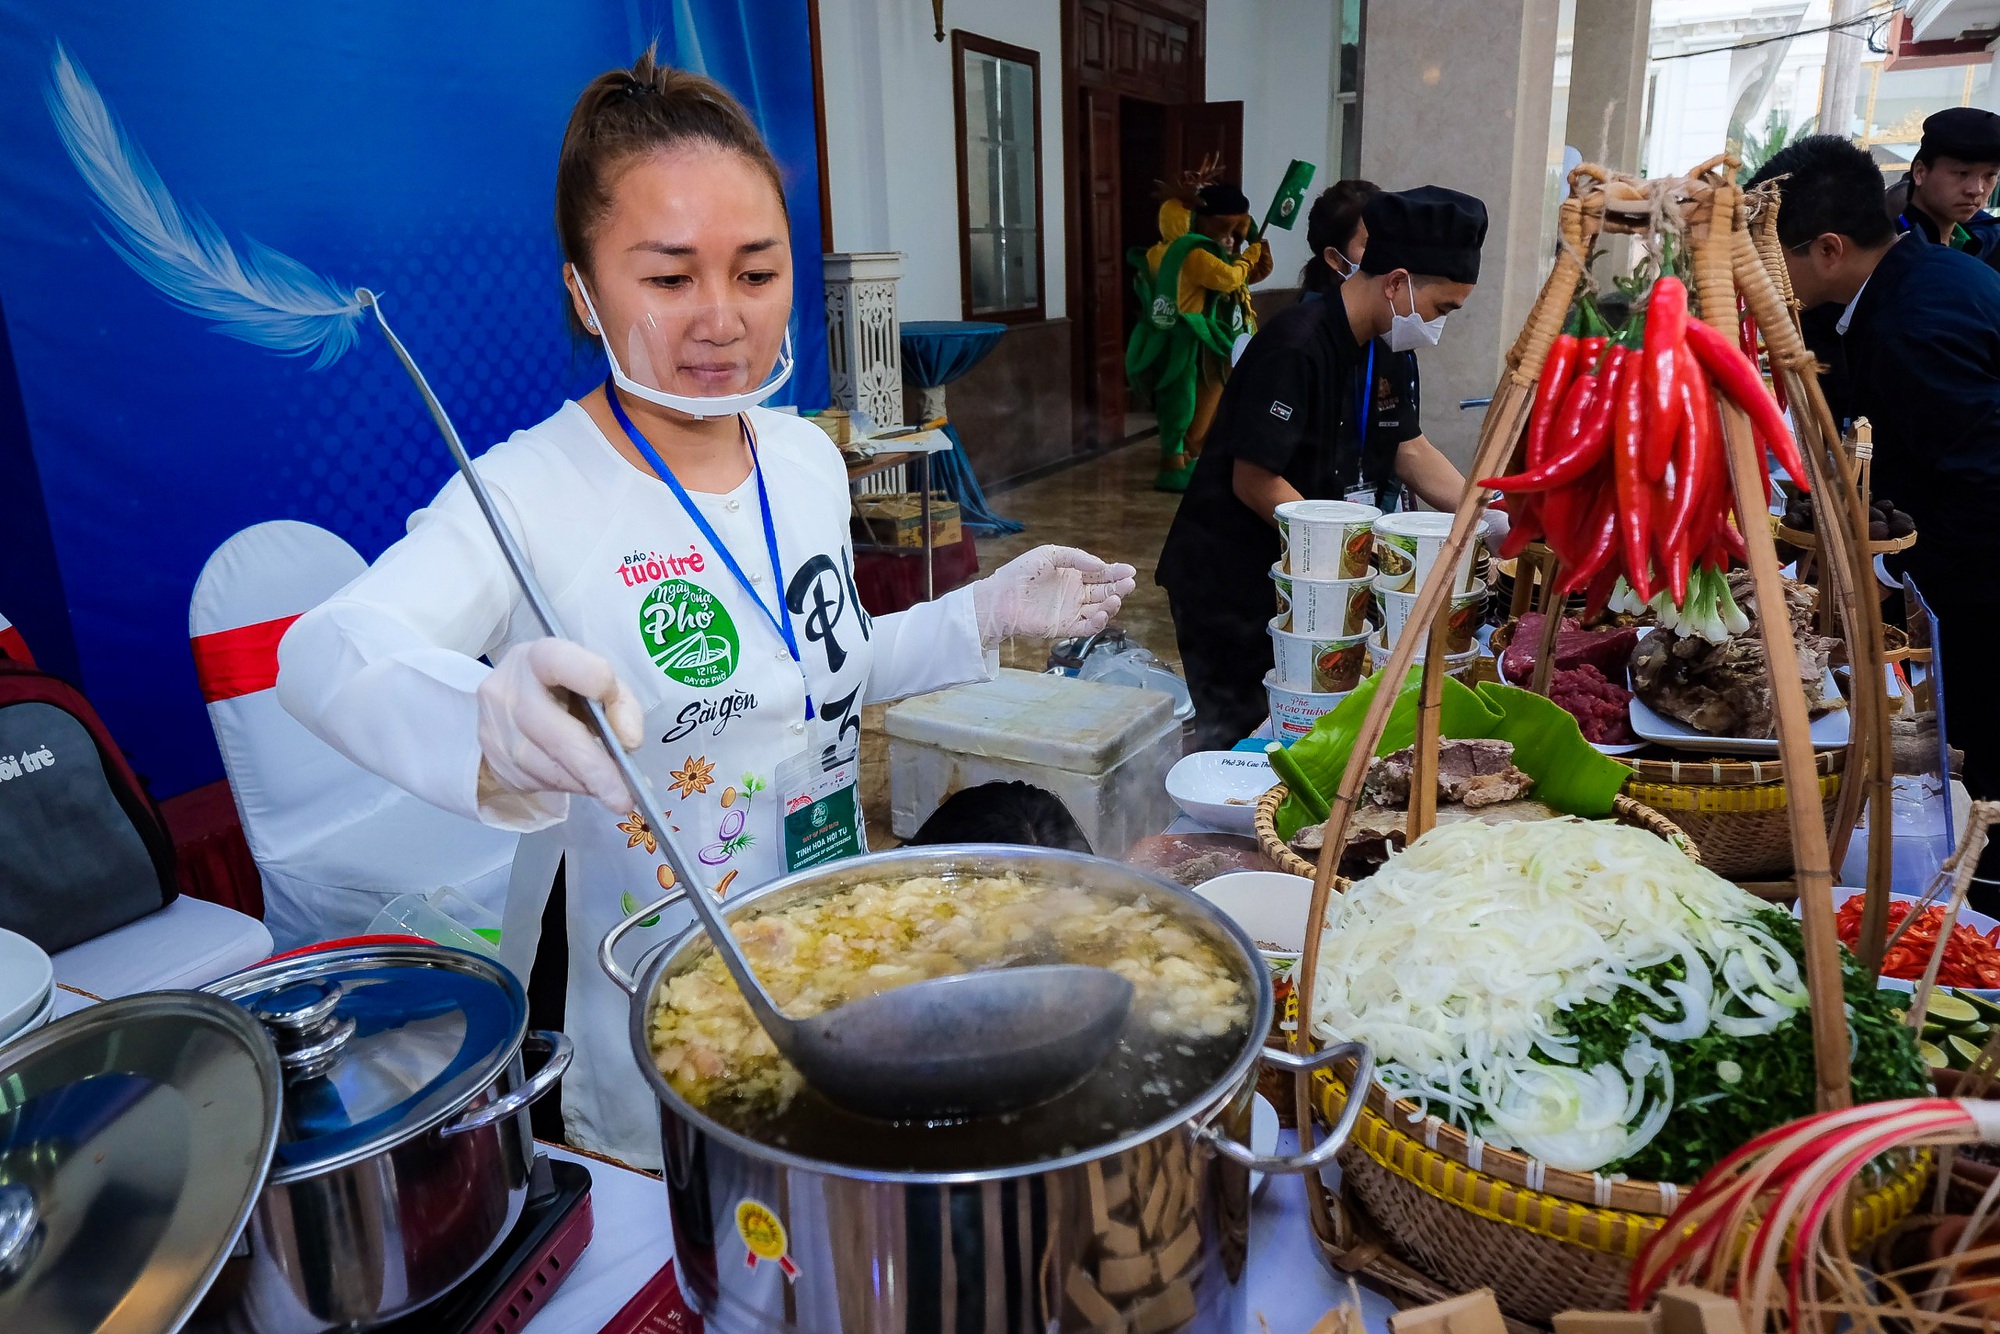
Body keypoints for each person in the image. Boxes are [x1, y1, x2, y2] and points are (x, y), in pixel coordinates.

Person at [276, 52, 1135, 1170]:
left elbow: (809, 678)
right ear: (583, 288)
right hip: (641, 1000)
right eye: (669, 277)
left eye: (757, 270)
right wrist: (483, 718)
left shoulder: (800, 457)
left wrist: (984, 613)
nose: (722, 319)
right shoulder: (527, 493)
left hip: (822, 942)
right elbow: (324, 652)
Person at [1155, 185, 1489, 751]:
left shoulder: (1382, 345)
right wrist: (1355, 549)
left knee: (1308, 737)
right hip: (1234, 584)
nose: (1437, 325)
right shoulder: (1296, 345)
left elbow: (1407, 447)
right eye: (1441, 309)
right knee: (1248, 742)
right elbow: (1253, 478)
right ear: (1397, 283)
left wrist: (1486, 511)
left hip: (1314, 574)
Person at [1749, 134, 2000, 807]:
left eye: (1773, 262)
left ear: (1829, 249)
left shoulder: (1915, 322)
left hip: (1983, 597)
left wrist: (1885, 568)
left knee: (1978, 780)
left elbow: (1984, 486)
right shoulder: (1926, 278)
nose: (1767, 285)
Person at [1127, 178, 1273, 492]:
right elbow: (1229, 277)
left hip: (1194, 336)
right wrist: (1250, 253)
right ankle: (1173, 462)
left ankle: (1186, 457)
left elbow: (1250, 274)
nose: (1231, 237)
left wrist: (1251, 236)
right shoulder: (1190, 253)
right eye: (1227, 228)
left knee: (1196, 402)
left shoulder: (1179, 248)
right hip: (1186, 337)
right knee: (1182, 401)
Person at [1883, 107, 2000, 269]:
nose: (1977, 189)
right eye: (1962, 173)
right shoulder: (1885, 250)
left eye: (1990, 175)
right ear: (1920, 172)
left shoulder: (1984, 243)